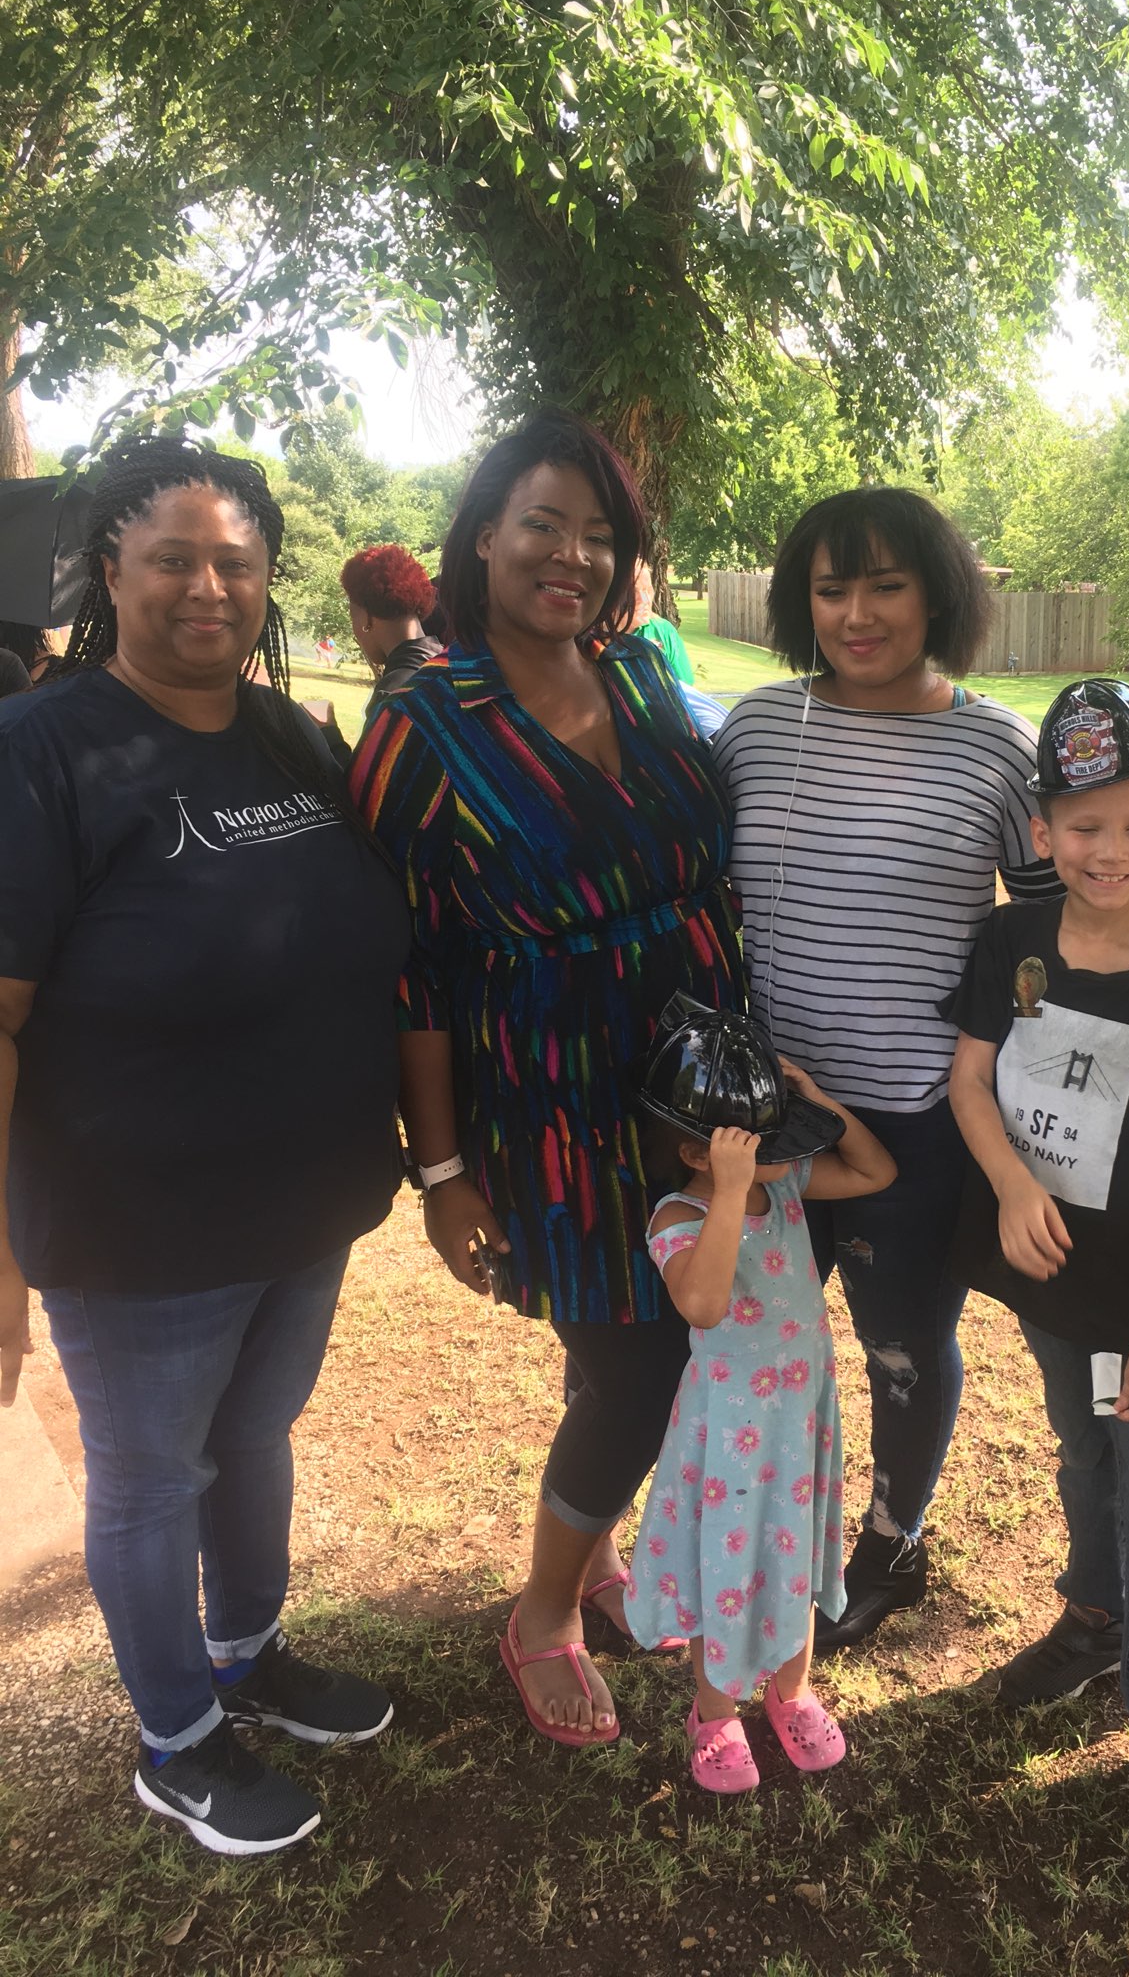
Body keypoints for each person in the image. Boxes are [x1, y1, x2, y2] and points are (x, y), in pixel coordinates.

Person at [0, 437, 409, 1856]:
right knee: (152, 1478)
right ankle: (177, 1740)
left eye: (234, 561)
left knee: (254, 1437)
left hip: (303, 1202)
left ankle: (250, 1654)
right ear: (107, 569)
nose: (205, 587)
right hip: (137, 1224)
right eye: (170, 557)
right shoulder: (41, 753)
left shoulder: (289, 734)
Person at [349, 409, 748, 1746]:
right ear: (480, 539)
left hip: (692, 1085)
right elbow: (409, 966)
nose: (571, 554)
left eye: (599, 534)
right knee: (639, 1367)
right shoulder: (423, 721)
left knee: (674, 1342)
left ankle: (598, 1555)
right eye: (543, 525)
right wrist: (445, 1170)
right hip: (552, 1094)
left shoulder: (638, 677)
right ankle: (543, 1614)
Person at [711, 487, 1059, 1650]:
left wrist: (1001, 1063)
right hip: (762, 1120)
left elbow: (1050, 934)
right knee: (754, 1346)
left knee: (902, 1344)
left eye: (885, 584)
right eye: (830, 587)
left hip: (918, 1120)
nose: (856, 613)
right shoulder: (757, 728)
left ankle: (894, 1538)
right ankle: (759, 1528)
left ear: (936, 593)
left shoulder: (999, 744)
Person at [945, 679, 1129, 1866]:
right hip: (1049, 1279)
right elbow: (972, 1077)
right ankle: (1097, 1619)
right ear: (1044, 831)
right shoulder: (1011, 940)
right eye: (1083, 826)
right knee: (1080, 1452)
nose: (1109, 850)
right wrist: (1014, 1186)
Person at [625, 997, 896, 1791]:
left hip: (799, 1420)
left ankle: (793, 1690)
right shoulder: (678, 1215)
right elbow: (702, 1303)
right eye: (768, 1146)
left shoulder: (782, 1186)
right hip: (731, 1439)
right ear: (700, 1154)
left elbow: (877, 1170)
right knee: (732, 1560)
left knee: (795, 1552)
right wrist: (730, 1188)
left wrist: (818, 1103)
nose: (789, 1155)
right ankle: (714, 1712)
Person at [342, 542, 442, 715]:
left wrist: (328, 731)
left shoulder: (394, 694)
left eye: (353, 616)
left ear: (366, 617)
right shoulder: (451, 669)